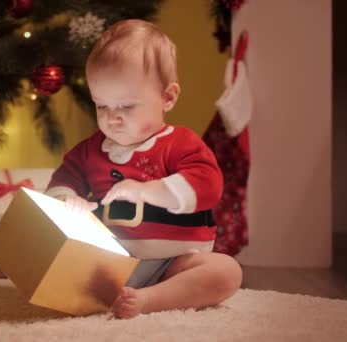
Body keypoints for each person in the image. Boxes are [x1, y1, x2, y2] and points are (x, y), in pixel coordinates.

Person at [44, 19, 242, 319]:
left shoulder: (180, 144)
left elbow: (207, 184)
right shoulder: (90, 150)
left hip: (172, 264)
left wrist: (148, 191)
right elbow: (63, 179)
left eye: (126, 107)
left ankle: (151, 299)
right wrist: (67, 198)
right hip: (109, 263)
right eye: (102, 106)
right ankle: (107, 294)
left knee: (227, 272)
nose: (113, 119)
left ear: (167, 97)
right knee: (52, 265)